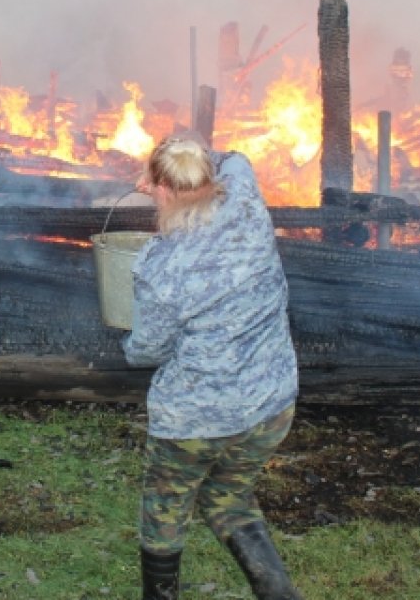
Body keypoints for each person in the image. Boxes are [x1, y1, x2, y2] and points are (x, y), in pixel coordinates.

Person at [122, 134, 302, 600]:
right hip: (271, 403)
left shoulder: (159, 267)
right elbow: (233, 157)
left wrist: (127, 343)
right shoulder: (244, 198)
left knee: (165, 511)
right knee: (230, 499)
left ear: (161, 189)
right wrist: (182, 161)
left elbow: (147, 350)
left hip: (195, 420)